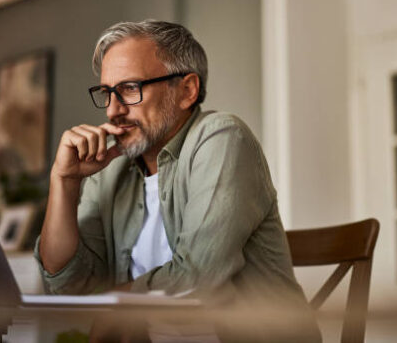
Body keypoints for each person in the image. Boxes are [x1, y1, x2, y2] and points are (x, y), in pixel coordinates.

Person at [35, 20, 320, 340]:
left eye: (129, 89)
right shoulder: (112, 166)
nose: (113, 110)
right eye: (106, 93)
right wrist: (64, 181)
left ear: (187, 90)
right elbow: (69, 285)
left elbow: (197, 280)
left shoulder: (222, 137)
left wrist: (111, 305)